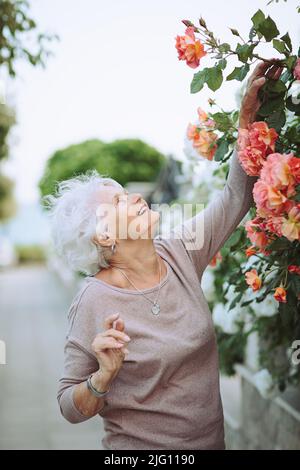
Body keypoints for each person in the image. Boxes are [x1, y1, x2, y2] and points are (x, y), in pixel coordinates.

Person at [49, 61, 282, 450]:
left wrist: (246, 118)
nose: (138, 197)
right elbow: (69, 405)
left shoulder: (178, 251)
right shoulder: (94, 300)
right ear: (105, 234)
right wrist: (101, 378)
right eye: (122, 200)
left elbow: (234, 199)